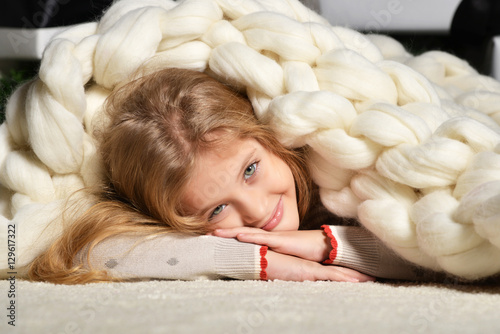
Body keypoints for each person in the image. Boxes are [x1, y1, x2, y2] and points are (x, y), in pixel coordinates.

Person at [28, 67, 437, 284]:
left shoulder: (337, 165)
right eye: (217, 207)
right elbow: (85, 253)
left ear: (269, 139)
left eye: (250, 169)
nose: (259, 210)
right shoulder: (169, 224)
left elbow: (441, 255)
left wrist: (323, 244)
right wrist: (258, 261)